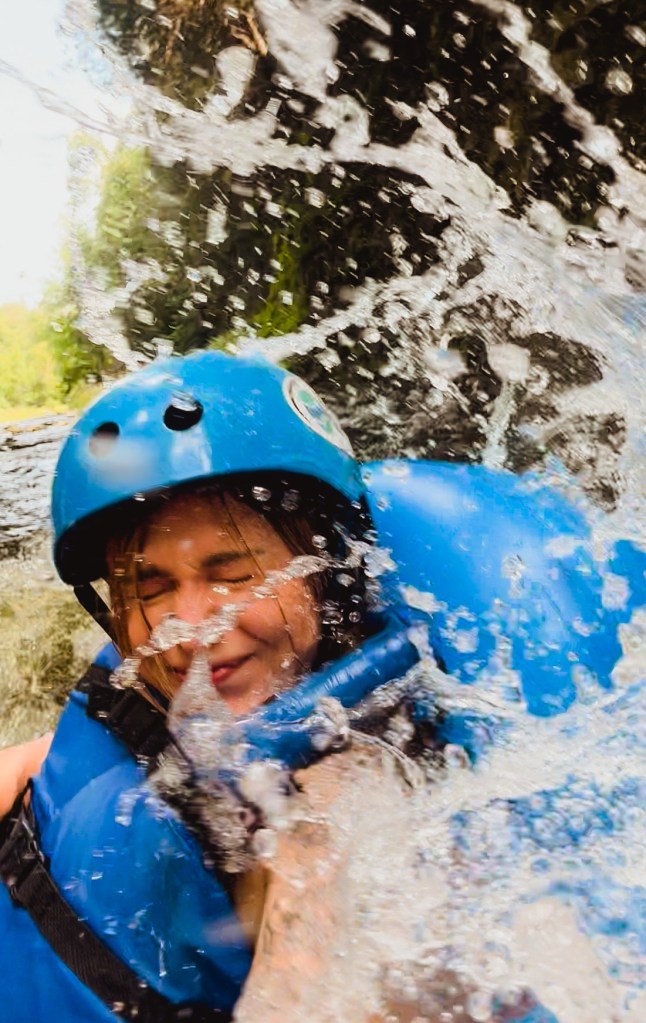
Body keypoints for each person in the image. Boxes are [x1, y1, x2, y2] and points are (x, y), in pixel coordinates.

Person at [0, 350, 432, 1022]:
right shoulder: (143, 696)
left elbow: (305, 982)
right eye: (152, 587)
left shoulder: (330, 796)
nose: (191, 626)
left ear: (326, 566)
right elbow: (47, 764)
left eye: (233, 575)